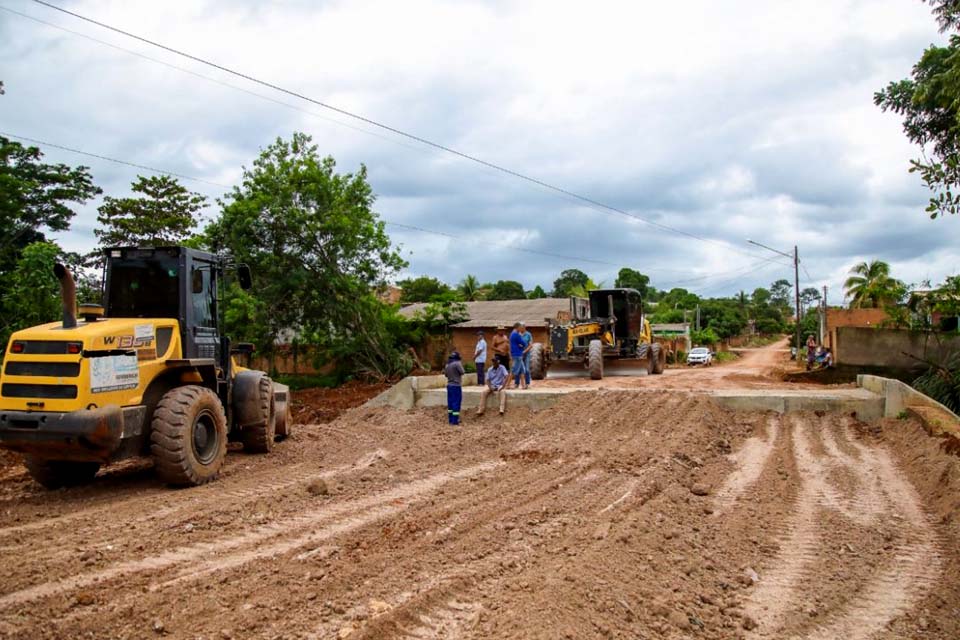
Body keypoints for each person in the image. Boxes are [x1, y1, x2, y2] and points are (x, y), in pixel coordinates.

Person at [443, 351, 465, 426]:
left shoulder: (447, 365)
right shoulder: (457, 363)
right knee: (456, 402)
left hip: (449, 385)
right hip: (456, 386)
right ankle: (455, 421)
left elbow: (445, 375)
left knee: (450, 403)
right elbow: (462, 372)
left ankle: (450, 420)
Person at [509, 322, 528, 390]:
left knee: (522, 371)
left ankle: (523, 385)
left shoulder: (512, 333)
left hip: (517, 353)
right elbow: (524, 343)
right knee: (514, 370)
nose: (521, 328)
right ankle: (507, 385)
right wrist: (522, 345)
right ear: (517, 327)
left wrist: (521, 345)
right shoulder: (516, 334)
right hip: (517, 354)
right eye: (520, 327)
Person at [519, 322, 534, 387]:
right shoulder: (518, 334)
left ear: (524, 327)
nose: (520, 329)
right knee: (518, 368)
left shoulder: (528, 334)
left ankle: (527, 383)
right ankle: (517, 383)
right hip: (519, 353)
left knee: (527, 369)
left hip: (527, 353)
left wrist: (525, 351)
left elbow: (531, 345)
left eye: (521, 327)